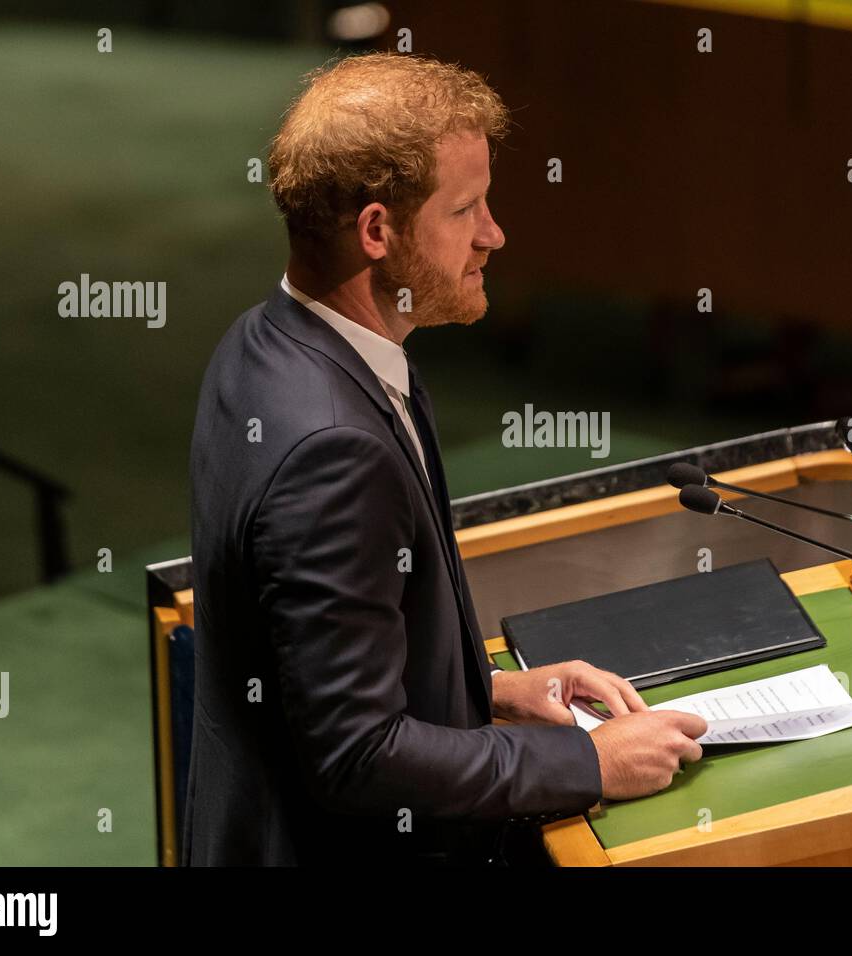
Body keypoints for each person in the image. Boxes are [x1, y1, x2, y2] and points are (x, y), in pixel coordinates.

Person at [184, 52, 707, 866]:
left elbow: (312, 676)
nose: (495, 234)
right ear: (377, 231)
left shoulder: (265, 343)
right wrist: (588, 761)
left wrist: (486, 692)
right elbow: (355, 756)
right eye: (465, 209)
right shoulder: (335, 451)